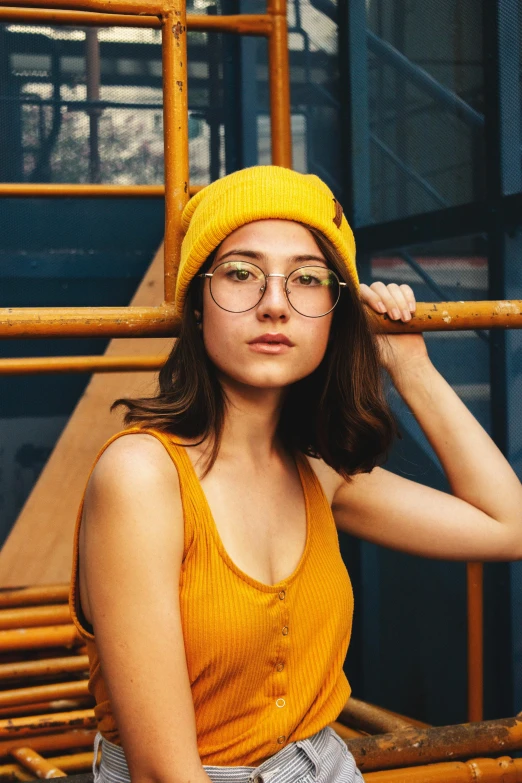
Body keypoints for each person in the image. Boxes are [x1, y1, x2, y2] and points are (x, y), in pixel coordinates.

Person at [69, 166, 522, 783]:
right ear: (198, 305)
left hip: (325, 768)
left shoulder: (318, 471)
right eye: (240, 274)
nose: (275, 305)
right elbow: (161, 773)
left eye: (307, 280)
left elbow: (508, 527)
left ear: (336, 312)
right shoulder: (143, 476)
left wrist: (409, 365)